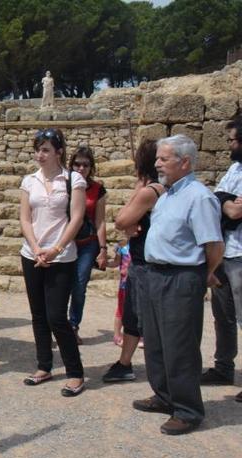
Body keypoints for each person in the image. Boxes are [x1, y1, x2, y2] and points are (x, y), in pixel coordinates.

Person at [132, 134, 223, 435]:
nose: (157, 163)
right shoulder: (168, 194)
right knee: (156, 341)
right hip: (155, 274)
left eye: (163, 158)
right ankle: (165, 396)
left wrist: (204, 274)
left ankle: (187, 410)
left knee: (180, 346)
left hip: (181, 277)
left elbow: (214, 245)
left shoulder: (199, 197)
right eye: (158, 158)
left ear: (184, 162)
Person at [18, 128, 86, 397]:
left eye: (45, 149)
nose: (40, 154)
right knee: (38, 315)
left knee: (57, 316)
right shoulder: (29, 181)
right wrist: (36, 248)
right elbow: (25, 218)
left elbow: (77, 217)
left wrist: (56, 248)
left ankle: (75, 372)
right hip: (32, 254)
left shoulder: (74, 179)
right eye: (37, 149)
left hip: (62, 256)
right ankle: (44, 365)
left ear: (59, 151)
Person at [103, 139, 162, 383]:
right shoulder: (161, 188)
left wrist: (139, 186)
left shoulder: (150, 191)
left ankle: (155, 372)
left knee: (142, 318)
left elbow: (120, 220)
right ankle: (124, 363)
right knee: (132, 316)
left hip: (146, 263)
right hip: (141, 260)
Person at [202, 118, 242, 402]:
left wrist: (227, 203)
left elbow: (235, 211)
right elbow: (217, 198)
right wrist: (227, 201)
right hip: (226, 250)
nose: (229, 144)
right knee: (222, 315)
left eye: (233, 140)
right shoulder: (235, 168)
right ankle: (223, 367)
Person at [67, 146, 107, 343]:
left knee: (79, 285)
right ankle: (56, 326)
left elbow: (100, 220)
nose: (81, 168)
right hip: (65, 242)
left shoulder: (97, 189)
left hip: (87, 243)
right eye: (77, 164)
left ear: (91, 167)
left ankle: (73, 325)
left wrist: (103, 249)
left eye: (85, 165)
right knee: (60, 286)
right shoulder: (63, 185)